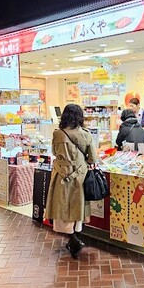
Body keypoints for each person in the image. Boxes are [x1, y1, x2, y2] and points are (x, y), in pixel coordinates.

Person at [45, 104, 96, 259]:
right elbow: (92, 158)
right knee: (77, 206)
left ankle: (72, 240)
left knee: (62, 206)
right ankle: (75, 239)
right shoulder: (85, 134)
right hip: (79, 175)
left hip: (61, 175)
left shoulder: (58, 134)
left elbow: (54, 152)